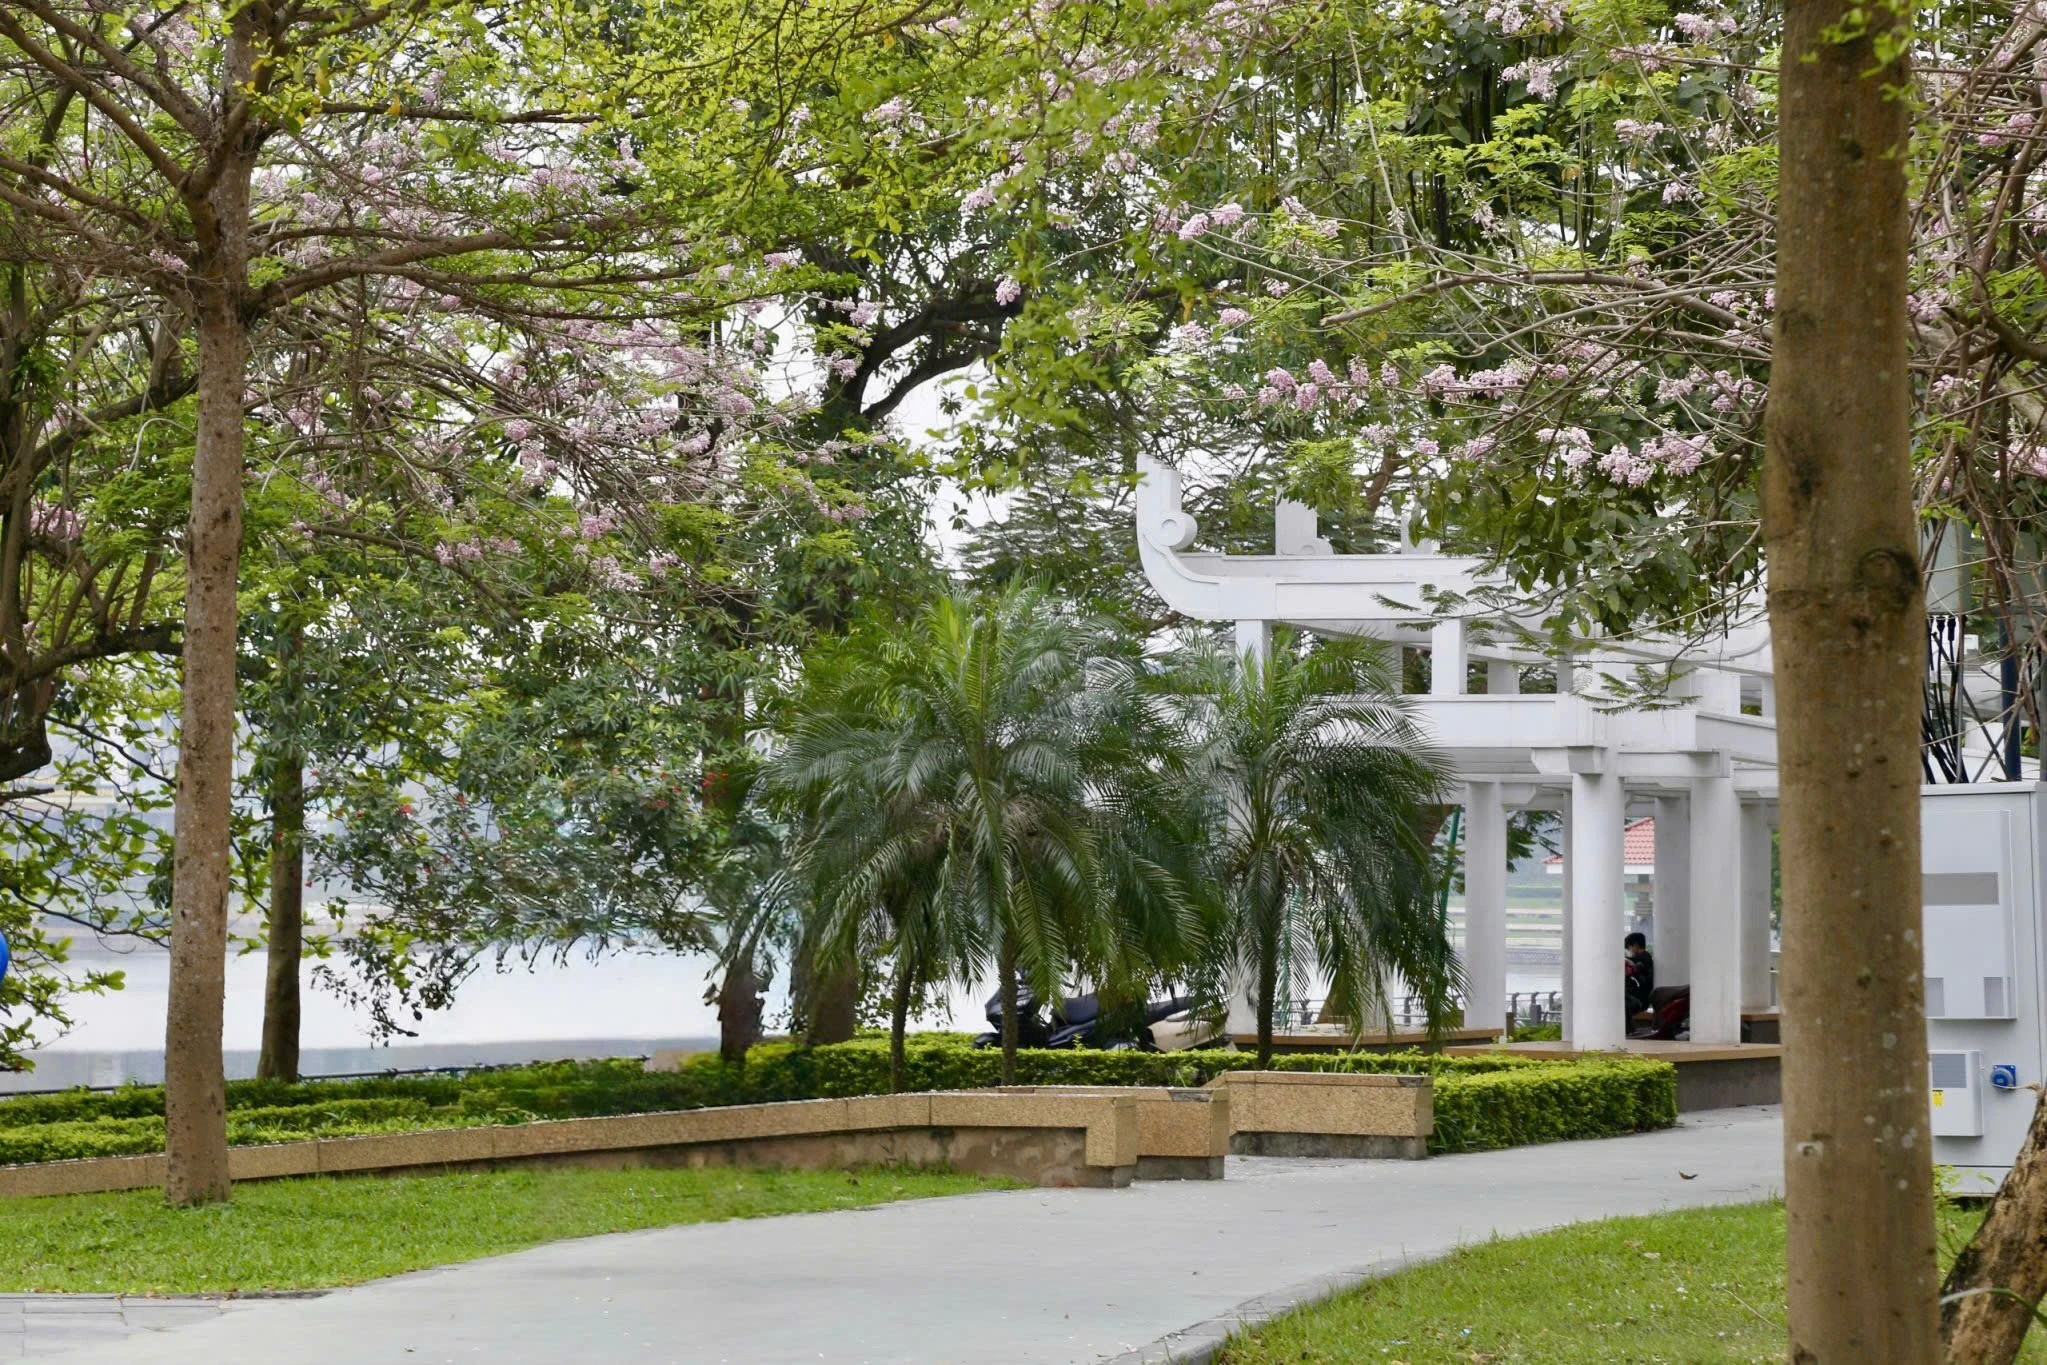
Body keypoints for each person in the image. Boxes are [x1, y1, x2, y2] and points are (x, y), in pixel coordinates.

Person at [1624, 931, 1655, 1017]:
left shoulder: (1642, 957)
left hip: (1640, 998)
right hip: (1644, 998)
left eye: (1629, 947)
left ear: (1635, 944)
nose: (1629, 950)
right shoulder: (1645, 957)